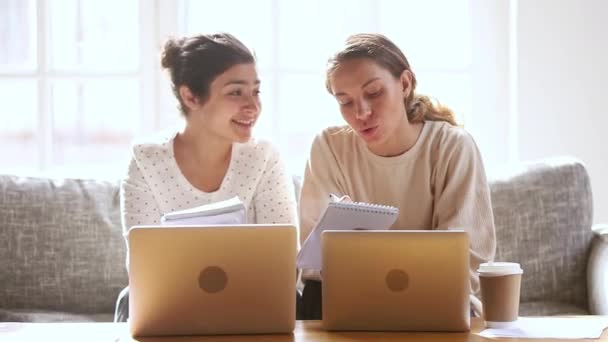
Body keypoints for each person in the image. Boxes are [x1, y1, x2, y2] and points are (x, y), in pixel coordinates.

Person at [298, 33, 496, 320]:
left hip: (433, 295)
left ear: (404, 83)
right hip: (347, 297)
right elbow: (316, 261)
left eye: (374, 93)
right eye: (345, 101)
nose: (361, 112)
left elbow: (467, 258)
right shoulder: (329, 147)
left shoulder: (452, 146)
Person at [114, 33, 298, 322]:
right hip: (169, 306)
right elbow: (144, 270)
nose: (253, 106)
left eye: (256, 92)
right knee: (130, 298)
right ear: (191, 97)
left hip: (252, 302)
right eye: (236, 92)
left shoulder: (264, 157)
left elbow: (285, 264)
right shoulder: (145, 161)